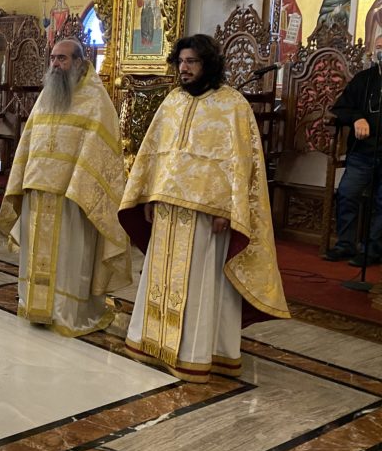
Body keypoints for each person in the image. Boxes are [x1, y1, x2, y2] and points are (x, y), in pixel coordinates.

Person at [119, 34, 290, 383]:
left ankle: (195, 352)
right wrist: (149, 196)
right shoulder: (172, 103)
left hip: (207, 215)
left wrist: (229, 208)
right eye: (180, 62)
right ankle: (151, 343)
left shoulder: (233, 106)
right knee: (160, 279)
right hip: (167, 210)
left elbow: (241, 165)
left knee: (200, 282)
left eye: (191, 62)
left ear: (208, 64)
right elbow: (155, 155)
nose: (184, 68)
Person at [0, 40, 131, 336]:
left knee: (70, 258)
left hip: (73, 197)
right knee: (37, 257)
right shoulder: (48, 94)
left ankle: (69, 313)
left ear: (80, 62)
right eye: (53, 58)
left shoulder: (97, 100)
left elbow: (102, 151)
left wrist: (78, 185)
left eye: (63, 59)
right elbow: (29, 140)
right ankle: (35, 306)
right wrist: (23, 179)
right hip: (38, 189)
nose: (56, 64)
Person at [324, 60, 382, 264]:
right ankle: (345, 245)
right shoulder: (364, 79)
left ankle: (372, 251)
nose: (380, 51)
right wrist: (357, 118)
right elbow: (340, 108)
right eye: (378, 47)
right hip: (362, 153)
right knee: (347, 194)